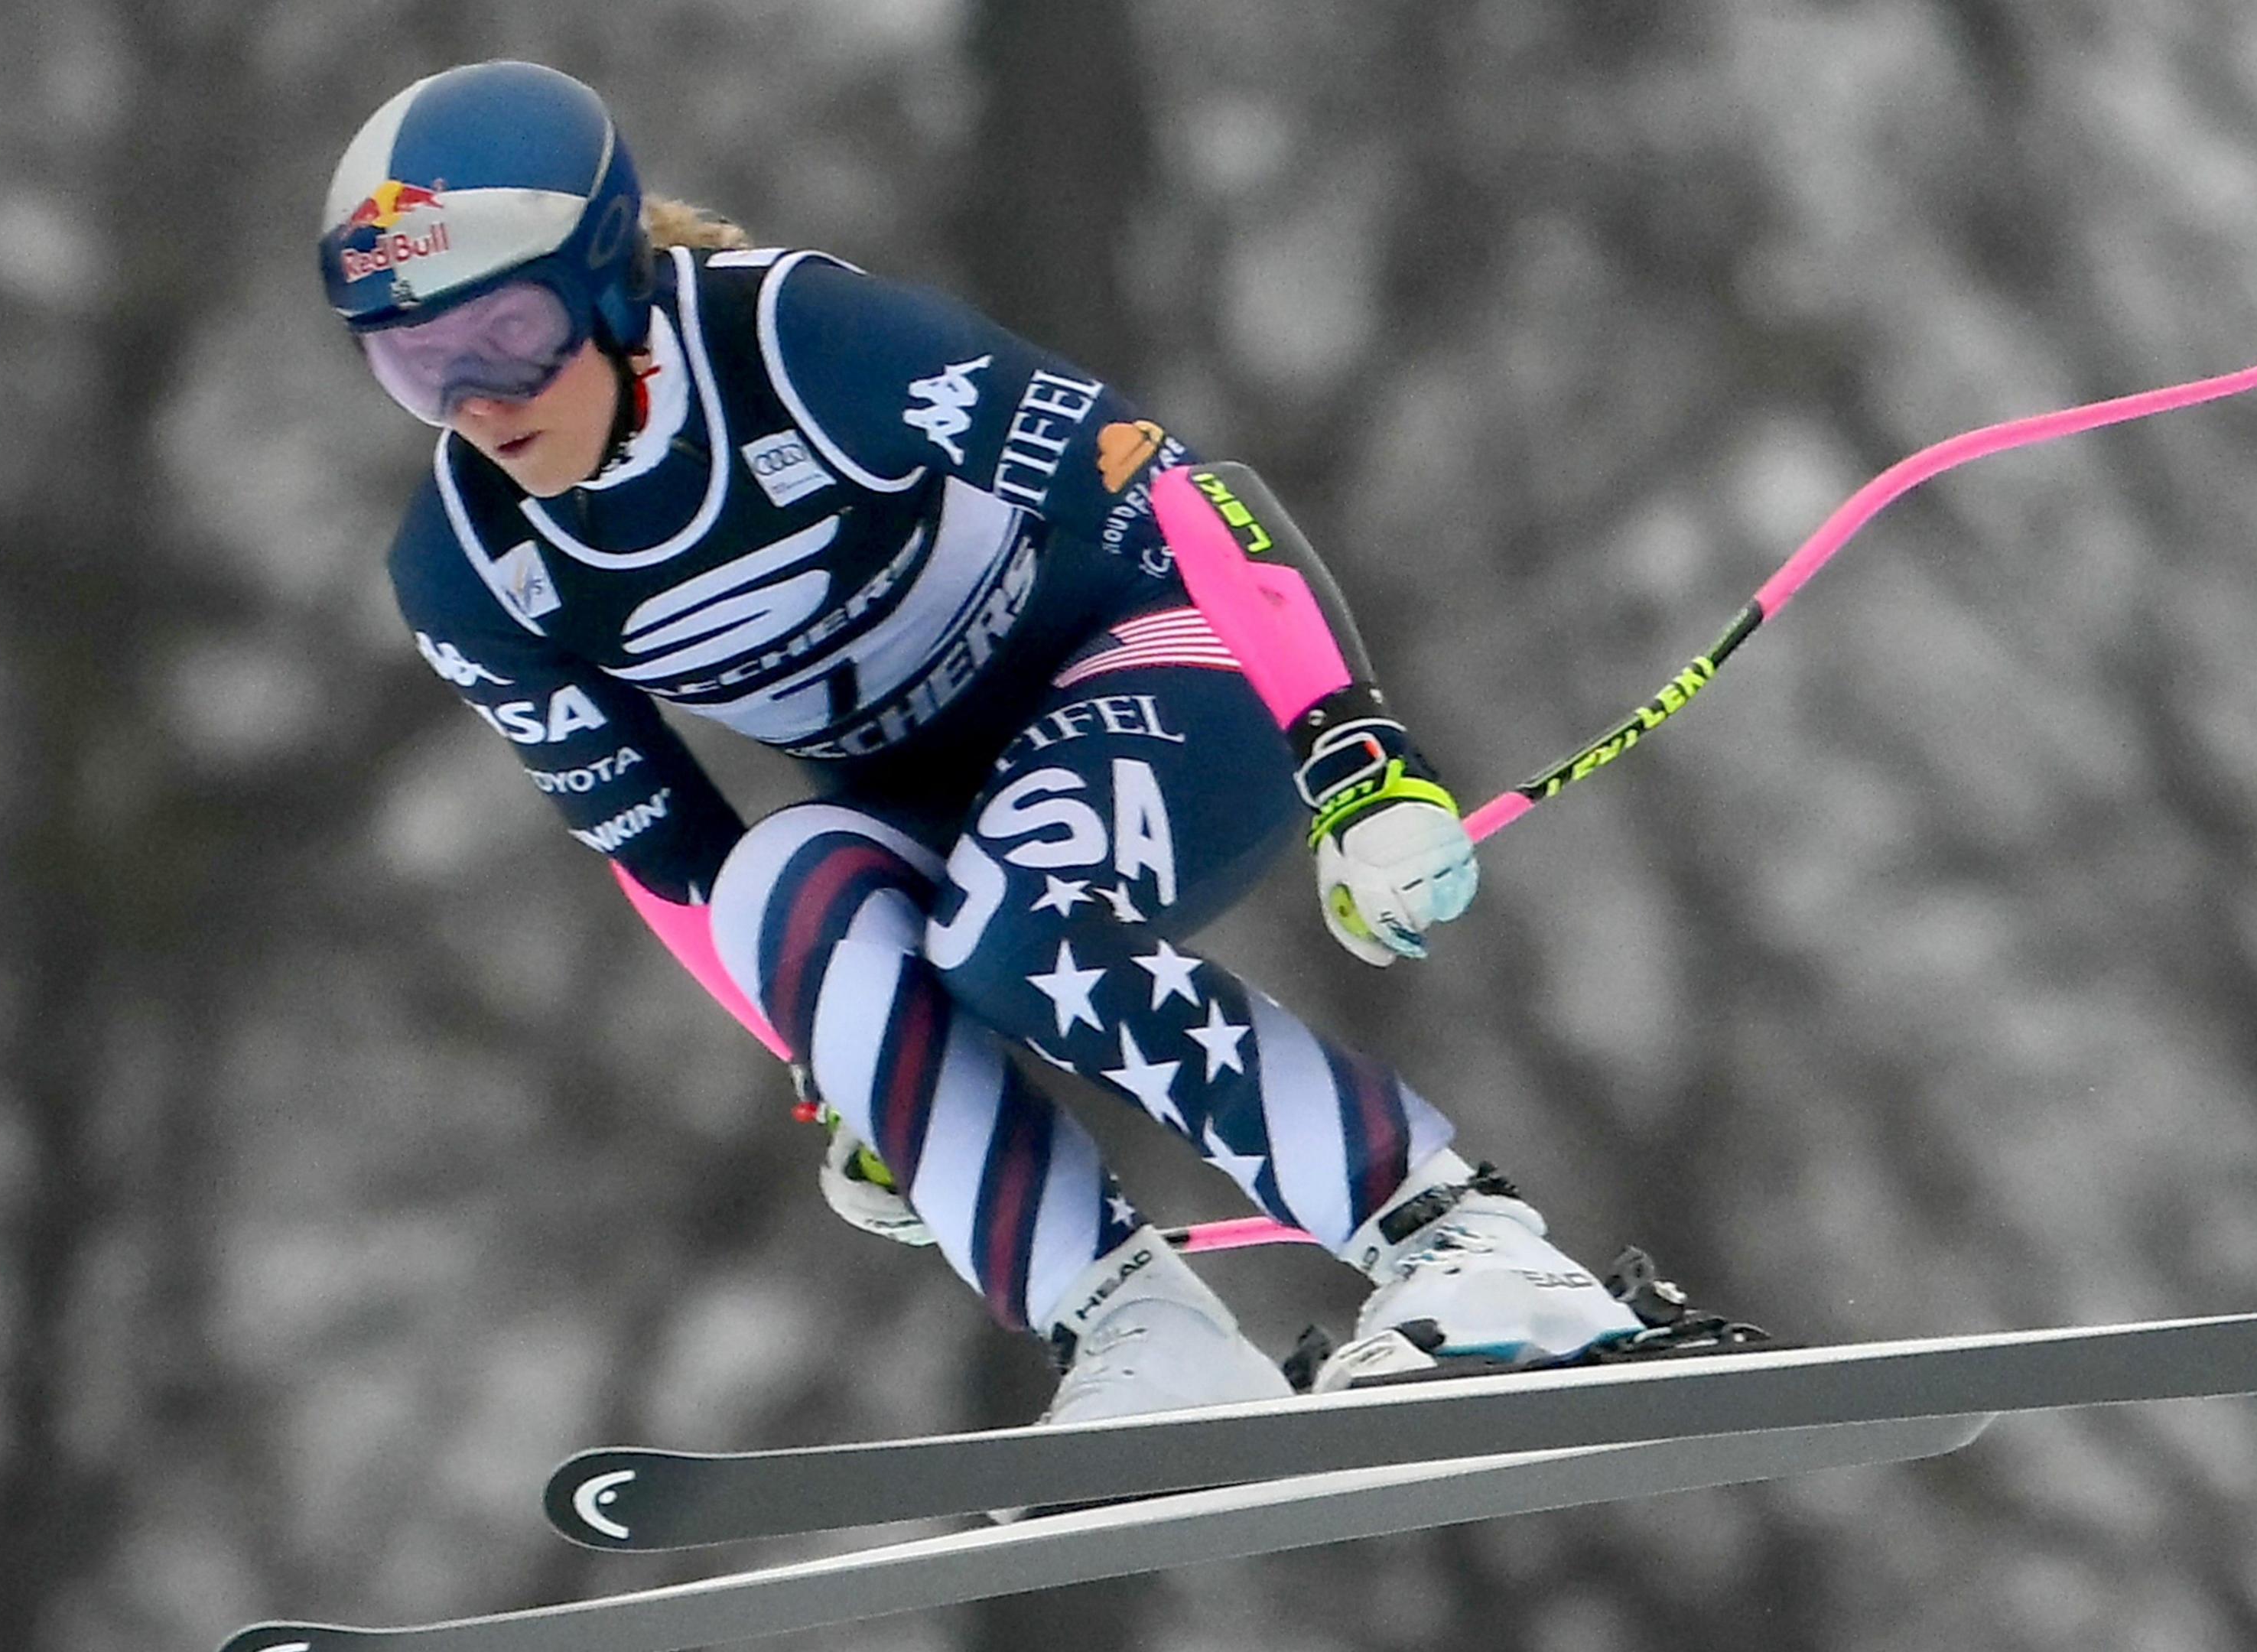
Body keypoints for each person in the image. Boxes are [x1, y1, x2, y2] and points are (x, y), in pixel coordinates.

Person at [320, 60, 1722, 1424]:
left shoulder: (793, 342)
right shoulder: (468, 570)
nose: (479, 404)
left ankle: (1462, 1248)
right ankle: (1138, 1332)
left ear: (610, 278)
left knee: (1013, 910)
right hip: (943, 804)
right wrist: (836, 1070)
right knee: (784, 892)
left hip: (1172, 672)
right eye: (416, 364)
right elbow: (672, 863)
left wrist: (1353, 759)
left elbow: (1160, 484)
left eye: (506, 336)